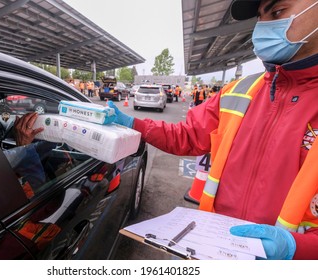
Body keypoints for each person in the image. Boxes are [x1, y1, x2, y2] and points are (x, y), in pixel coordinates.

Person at [108, 0, 318, 260]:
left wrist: (299, 249)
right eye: (260, 18)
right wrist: (134, 124)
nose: (265, 27)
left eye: (277, 12)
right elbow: (186, 135)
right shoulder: (239, 91)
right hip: (213, 251)